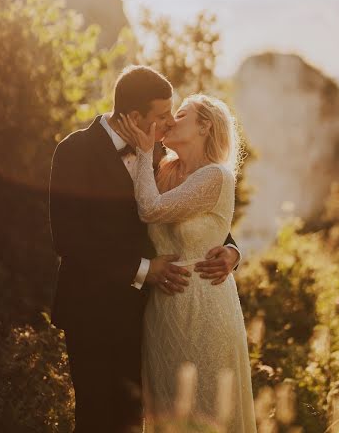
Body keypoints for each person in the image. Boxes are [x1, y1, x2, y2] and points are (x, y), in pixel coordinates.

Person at [48, 66, 241, 433]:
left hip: (149, 315)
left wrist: (232, 251)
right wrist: (143, 269)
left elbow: (199, 217)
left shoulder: (160, 156)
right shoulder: (74, 152)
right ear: (134, 117)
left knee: (136, 420)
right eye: (161, 116)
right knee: (95, 416)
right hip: (93, 311)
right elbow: (69, 239)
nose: (168, 123)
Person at [116, 94, 257, 432]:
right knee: (168, 411)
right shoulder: (161, 169)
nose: (170, 121)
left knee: (208, 410)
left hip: (205, 306)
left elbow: (150, 209)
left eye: (180, 114)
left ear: (205, 126)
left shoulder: (217, 177)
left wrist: (232, 253)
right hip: (162, 310)